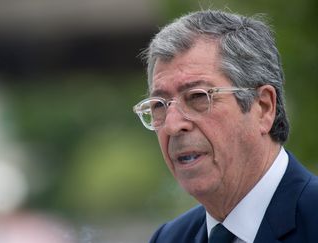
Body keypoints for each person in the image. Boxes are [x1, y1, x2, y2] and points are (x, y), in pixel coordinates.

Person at [132, 9, 318, 243]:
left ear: (263, 107)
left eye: (197, 97)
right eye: (159, 105)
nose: (172, 125)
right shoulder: (169, 238)